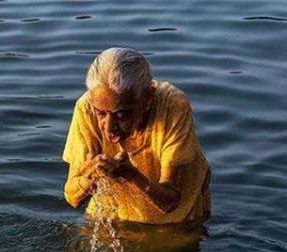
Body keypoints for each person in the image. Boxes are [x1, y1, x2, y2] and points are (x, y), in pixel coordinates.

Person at [62, 47, 211, 224]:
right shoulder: (86, 108)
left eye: (122, 115)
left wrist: (132, 176)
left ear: (148, 97)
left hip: (176, 223)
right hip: (110, 218)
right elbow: (72, 198)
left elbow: (170, 202)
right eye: (101, 114)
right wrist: (91, 176)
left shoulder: (172, 107)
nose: (109, 128)